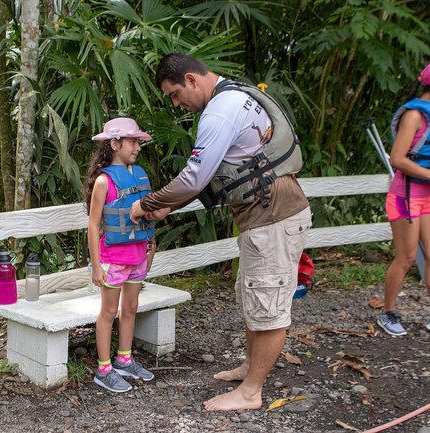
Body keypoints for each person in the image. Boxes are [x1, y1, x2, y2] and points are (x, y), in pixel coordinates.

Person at [130, 53, 312, 411]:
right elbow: (218, 174)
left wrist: (148, 205)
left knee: (270, 308)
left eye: (174, 94)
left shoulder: (219, 111)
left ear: (191, 80)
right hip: (263, 218)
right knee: (253, 296)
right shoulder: (236, 94)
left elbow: (194, 177)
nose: (176, 103)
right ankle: (249, 368)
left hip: (273, 218)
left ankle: (250, 392)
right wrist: (172, 204)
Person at [84, 117, 166, 393]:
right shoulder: (104, 181)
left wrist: (151, 248)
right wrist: (96, 266)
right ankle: (104, 368)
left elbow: (149, 214)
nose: (138, 147)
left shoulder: (140, 174)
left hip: (139, 255)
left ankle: (125, 359)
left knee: (130, 308)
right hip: (114, 259)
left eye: (139, 142)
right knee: (108, 312)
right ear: (115, 143)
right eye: (133, 141)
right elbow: (93, 225)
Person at [377, 58, 430, 337]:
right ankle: (387, 313)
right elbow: (397, 159)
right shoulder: (414, 115)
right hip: (405, 195)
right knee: (407, 257)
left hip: (429, 196)